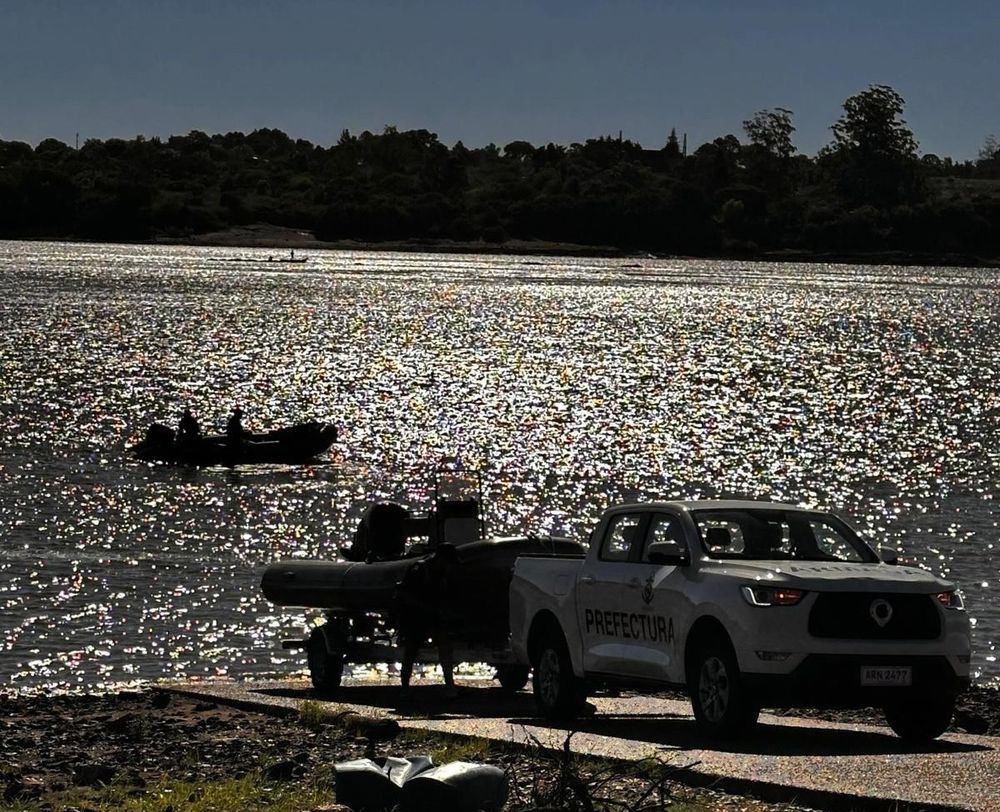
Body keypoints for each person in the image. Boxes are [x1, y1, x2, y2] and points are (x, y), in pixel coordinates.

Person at [396, 544, 459, 700]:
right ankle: (404, 686)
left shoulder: (441, 573)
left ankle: (450, 686)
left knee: (445, 647)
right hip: (416, 617)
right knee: (410, 651)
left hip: (432, 616)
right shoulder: (419, 570)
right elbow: (406, 595)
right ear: (441, 559)